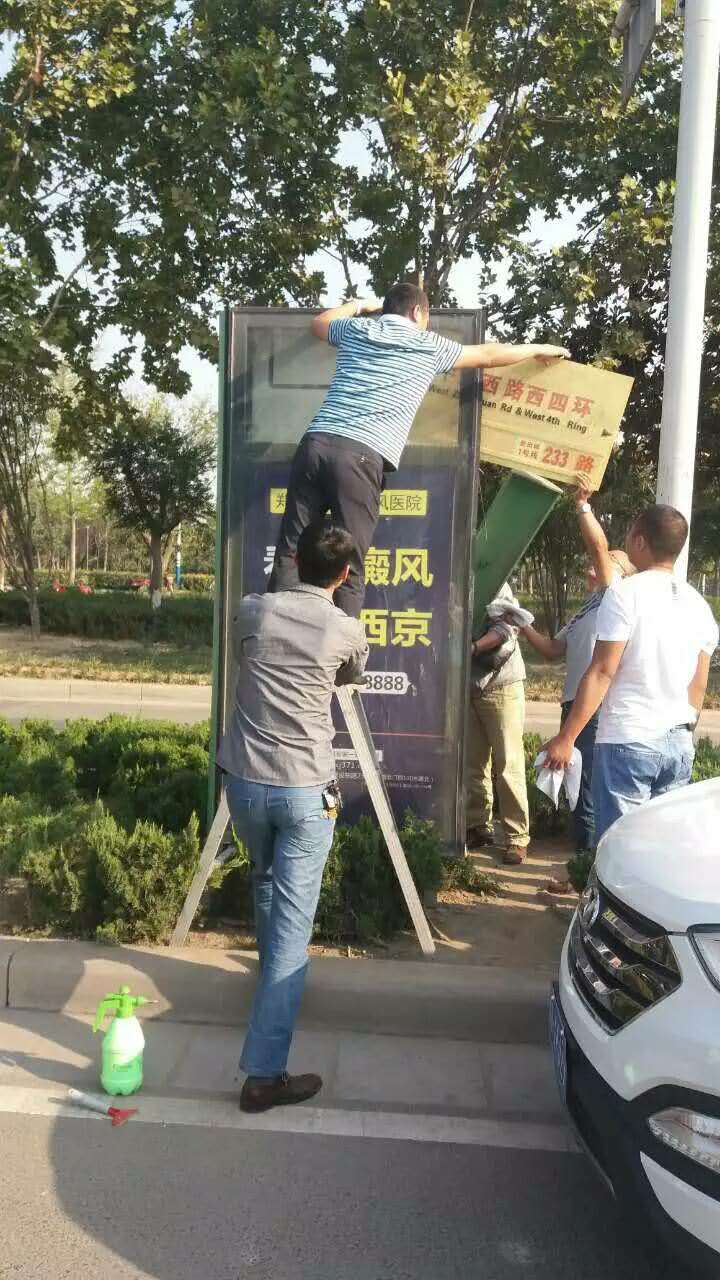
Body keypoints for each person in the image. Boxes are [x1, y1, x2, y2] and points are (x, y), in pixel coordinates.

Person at [268, 282, 569, 616]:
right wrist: (538, 348)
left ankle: (274, 633)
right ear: (417, 312)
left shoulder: (357, 329)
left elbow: (319, 324)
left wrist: (360, 305)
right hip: (360, 455)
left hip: (316, 443)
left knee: (291, 547)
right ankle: (342, 647)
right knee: (350, 562)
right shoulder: (427, 344)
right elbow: (488, 355)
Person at [217, 521, 369, 1113]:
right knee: (291, 933)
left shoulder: (254, 610)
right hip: (305, 791)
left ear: (293, 562)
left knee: (263, 879)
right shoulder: (344, 628)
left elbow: (243, 652)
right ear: (345, 574)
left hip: (246, 785)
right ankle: (263, 1075)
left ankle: (267, 999)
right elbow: (350, 675)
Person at [542, 505, 719, 845]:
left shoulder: (625, 594)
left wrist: (567, 738)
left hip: (629, 740)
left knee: (620, 847)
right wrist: (682, 731)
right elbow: (698, 686)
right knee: (661, 847)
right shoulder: (699, 605)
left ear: (639, 541)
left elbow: (602, 671)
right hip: (678, 743)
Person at [520, 486, 634, 879]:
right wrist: (521, 624)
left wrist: (583, 506)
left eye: (602, 566)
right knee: (576, 786)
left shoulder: (614, 596)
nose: (591, 569)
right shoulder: (586, 608)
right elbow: (553, 650)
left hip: (595, 708)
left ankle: (587, 874)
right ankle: (584, 869)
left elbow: (599, 550)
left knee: (585, 789)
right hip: (574, 704)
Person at [466, 582, 530, 866]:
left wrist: (473, 647)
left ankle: (517, 837)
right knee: (473, 763)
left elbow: (507, 627)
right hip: (468, 686)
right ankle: (478, 826)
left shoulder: (493, 576)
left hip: (501, 684)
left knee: (508, 764)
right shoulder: (449, 572)